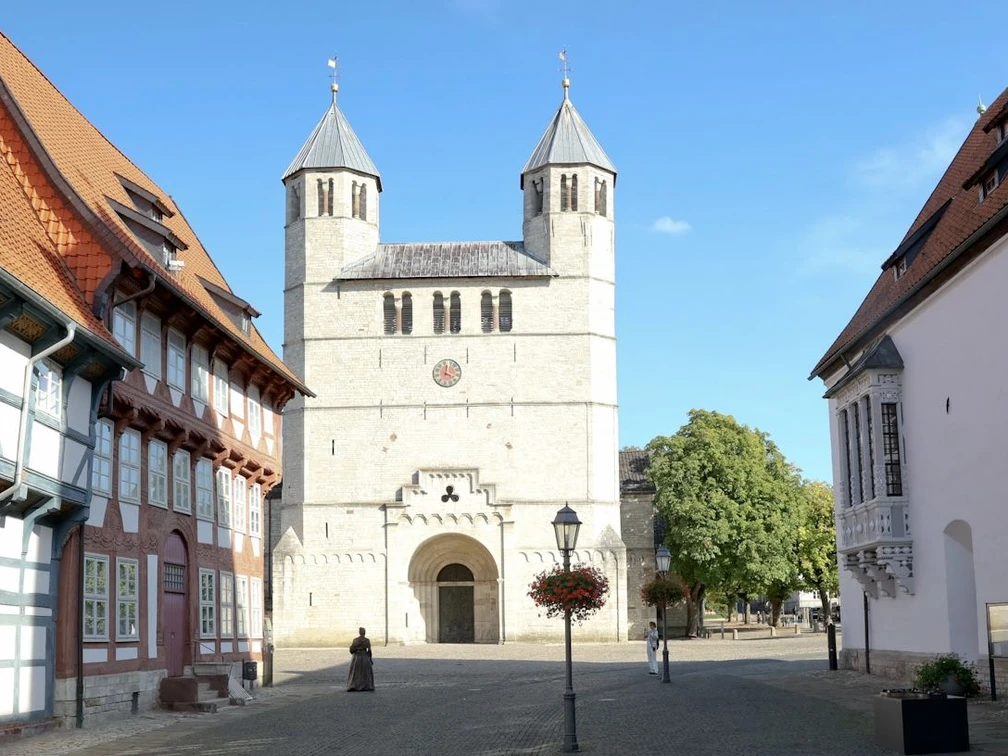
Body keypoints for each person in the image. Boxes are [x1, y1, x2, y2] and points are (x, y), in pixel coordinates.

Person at [346, 626, 375, 691]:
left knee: (355, 672)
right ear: (364, 633)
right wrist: (370, 659)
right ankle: (365, 685)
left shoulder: (355, 640)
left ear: (359, 633)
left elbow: (351, 649)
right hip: (364, 656)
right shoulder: (367, 640)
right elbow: (369, 651)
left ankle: (354, 685)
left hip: (356, 657)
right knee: (365, 672)